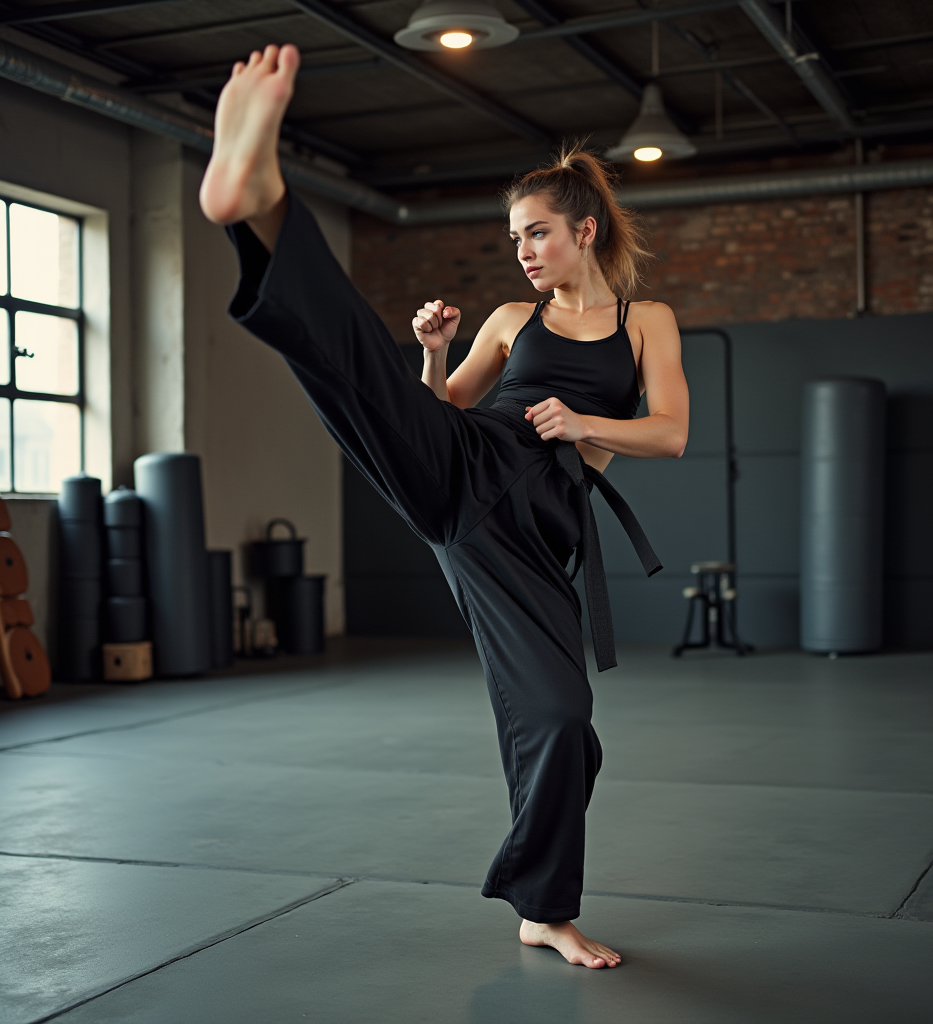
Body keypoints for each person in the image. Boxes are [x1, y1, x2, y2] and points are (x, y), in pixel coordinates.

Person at [200, 43, 689, 969]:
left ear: (584, 230)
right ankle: (261, 209)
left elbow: (668, 433)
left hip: (541, 533)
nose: (523, 251)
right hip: (468, 469)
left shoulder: (646, 323)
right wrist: (434, 351)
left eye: (536, 233)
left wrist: (582, 419)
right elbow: (437, 410)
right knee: (373, 386)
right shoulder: (511, 320)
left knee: (563, 725)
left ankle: (541, 907)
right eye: (513, 240)